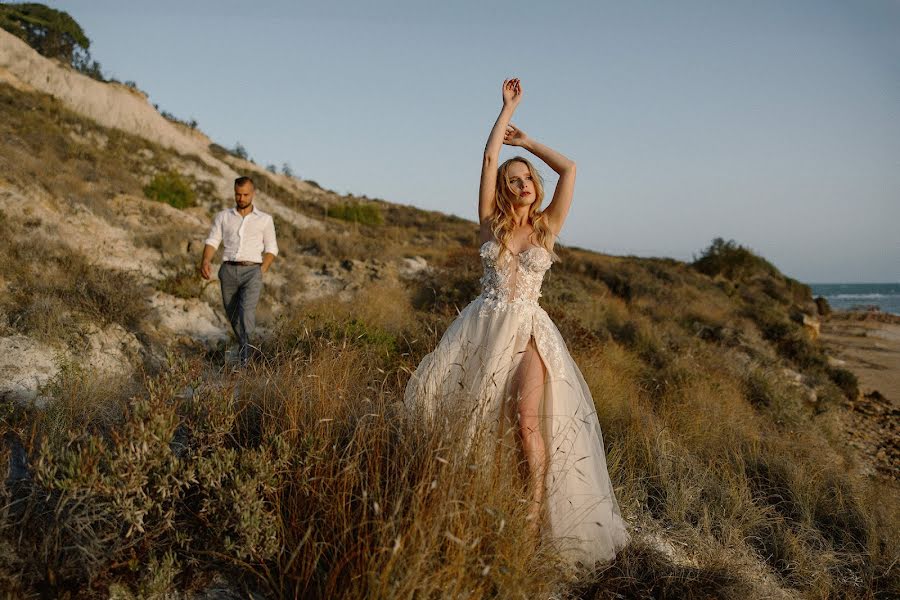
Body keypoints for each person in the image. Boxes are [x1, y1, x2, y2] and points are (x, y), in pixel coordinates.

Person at [404, 79, 630, 566]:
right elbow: (488, 161)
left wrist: (527, 143)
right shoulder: (490, 223)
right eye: (514, 179)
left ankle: (529, 525)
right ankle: (466, 507)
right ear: (505, 190)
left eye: (527, 178)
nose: (522, 184)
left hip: (529, 332)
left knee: (528, 426)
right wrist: (505, 112)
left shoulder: (548, 226)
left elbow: (570, 168)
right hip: (482, 329)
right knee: (469, 420)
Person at [199, 176, 278, 367]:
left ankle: (246, 361)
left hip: (252, 271)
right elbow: (212, 241)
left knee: (246, 313)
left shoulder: (265, 220)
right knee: (233, 315)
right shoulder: (223, 217)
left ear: (253, 194)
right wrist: (206, 260)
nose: (241, 198)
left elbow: (272, 248)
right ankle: (246, 346)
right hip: (228, 271)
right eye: (238, 194)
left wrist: (262, 270)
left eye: (245, 194)